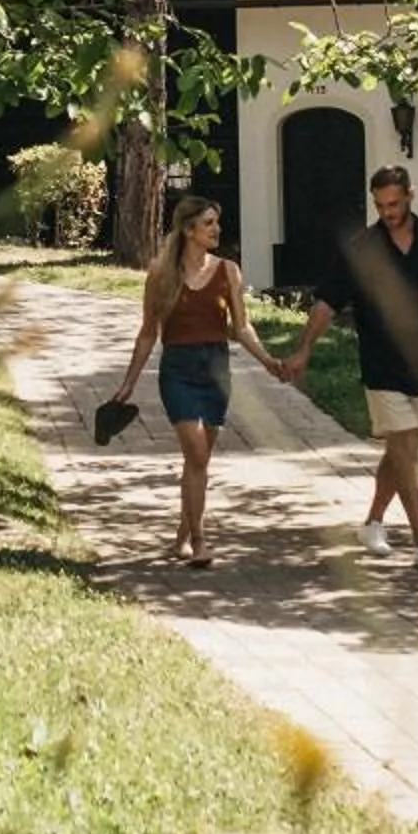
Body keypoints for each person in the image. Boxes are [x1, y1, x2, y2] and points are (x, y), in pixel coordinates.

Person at [280, 164, 418, 568]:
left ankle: (372, 522)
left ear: (410, 196)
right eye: (381, 205)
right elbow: (327, 303)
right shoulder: (362, 248)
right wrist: (304, 350)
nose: (388, 212)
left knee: (402, 452)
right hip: (382, 365)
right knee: (404, 449)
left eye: (395, 204)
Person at [106, 195, 283, 567]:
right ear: (188, 230)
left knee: (197, 462)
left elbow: (241, 326)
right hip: (178, 370)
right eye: (208, 223)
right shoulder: (160, 275)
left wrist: (268, 360)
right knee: (197, 455)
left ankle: (181, 536)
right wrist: (128, 384)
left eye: (217, 222)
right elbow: (147, 334)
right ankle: (200, 542)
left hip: (216, 369)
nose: (217, 229)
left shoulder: (229, 271)